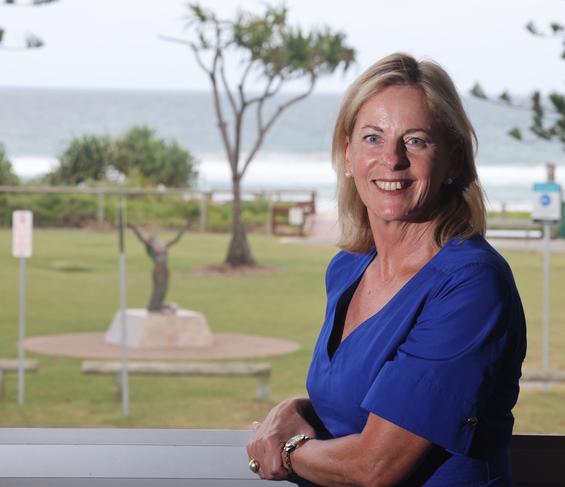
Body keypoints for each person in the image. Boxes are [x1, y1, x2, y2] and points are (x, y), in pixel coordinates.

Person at [246, 52, 527, 487]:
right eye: (373, 138)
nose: (392, 159)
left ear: (453, 160)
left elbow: (376, 467)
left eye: (415, 141)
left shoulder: (470, 286)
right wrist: (293, 410)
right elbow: (357, 406)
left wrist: (284, 451)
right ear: (347, 153)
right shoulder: (348, 269)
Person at [128, 222, 189, 312]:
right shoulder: (151, 248)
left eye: (158, 241)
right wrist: (134, 228)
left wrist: (182, 230)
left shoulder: (164, 247)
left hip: (165, 270)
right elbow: (141, 238)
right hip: (158, 271)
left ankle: (158, 305)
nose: (158, 243)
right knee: (158, 289)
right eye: (155, 242)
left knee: (164, 288)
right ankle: (153, 305)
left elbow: (176, 240)